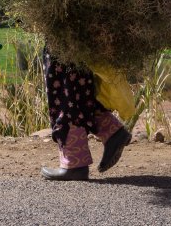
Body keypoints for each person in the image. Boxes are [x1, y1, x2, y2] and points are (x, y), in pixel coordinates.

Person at [41, 50, 132, 181]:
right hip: (78, 43)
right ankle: (112, 131)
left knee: (64, 88)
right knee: (79, 89)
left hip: (67, 40)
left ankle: (74, 164)